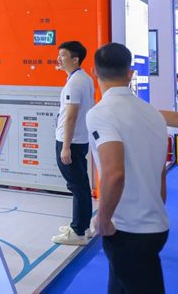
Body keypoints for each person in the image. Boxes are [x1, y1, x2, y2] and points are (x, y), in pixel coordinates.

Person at [87, 42, 169, 293]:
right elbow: (160, 172)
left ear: (94, 71)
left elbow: (114, 173)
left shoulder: (101, 113)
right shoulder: (152, 113)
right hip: (154, 224)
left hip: (127, 230)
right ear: (130, 73)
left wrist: (103, 219)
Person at [51, 41, 95, 246]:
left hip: (71, 140)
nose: (59, 59)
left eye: (63, 55)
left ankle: (77, 231)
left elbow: (71, 116)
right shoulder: (82, 78)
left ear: (75, 59)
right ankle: (83, 226)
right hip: (79, 139)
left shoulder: (75, 83)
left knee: (77, 186)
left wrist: (66, 146)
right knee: (81, 185)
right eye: (59, 55)